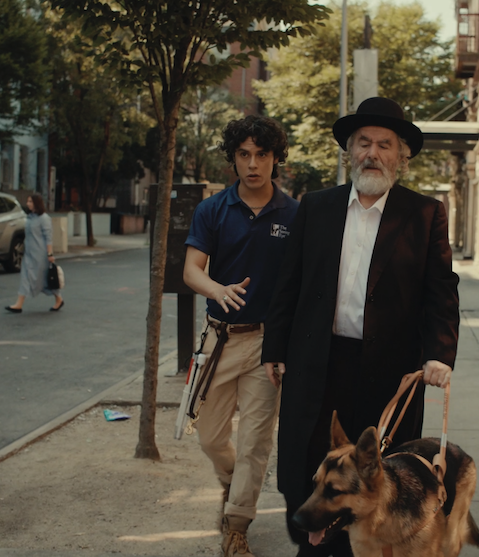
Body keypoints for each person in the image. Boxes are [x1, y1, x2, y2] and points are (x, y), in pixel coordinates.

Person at [261, 97, 461, 557]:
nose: (374, 153)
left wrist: (439, 354)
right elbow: (287, 283)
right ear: (350, 151)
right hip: (317, 363)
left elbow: (441, 293)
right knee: (307, 469)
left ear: (401, 157)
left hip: (389, 373)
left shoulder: (424, 214)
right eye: (364, 143)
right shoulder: (315, 207)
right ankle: (313, 547)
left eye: (385, 145)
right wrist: (275, 345)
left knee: (380, 476)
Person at [183, 115, 298, 557]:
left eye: (262, 155)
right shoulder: (212, 209)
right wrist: (217, 289)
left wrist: (287, 346)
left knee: (255, 443)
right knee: (210, 437)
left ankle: (236, 526)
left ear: (275, 159)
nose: (253, 164)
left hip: (267, 345)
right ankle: (232, 484)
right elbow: (192, 270)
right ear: (233, 158)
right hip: (218, 340)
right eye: (244, 155)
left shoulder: (293, 213)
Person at [5, 194, 63, 313]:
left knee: (44, 279)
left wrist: (50, 254)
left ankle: (59, 299)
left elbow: (48, 237)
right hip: (29, 253)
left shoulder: (44, 218)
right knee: (25, 276)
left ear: (37, 203)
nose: (28, 204)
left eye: (30, 201)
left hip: (41, 255)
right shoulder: (30, 217)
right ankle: (19, 304)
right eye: (28, 201)